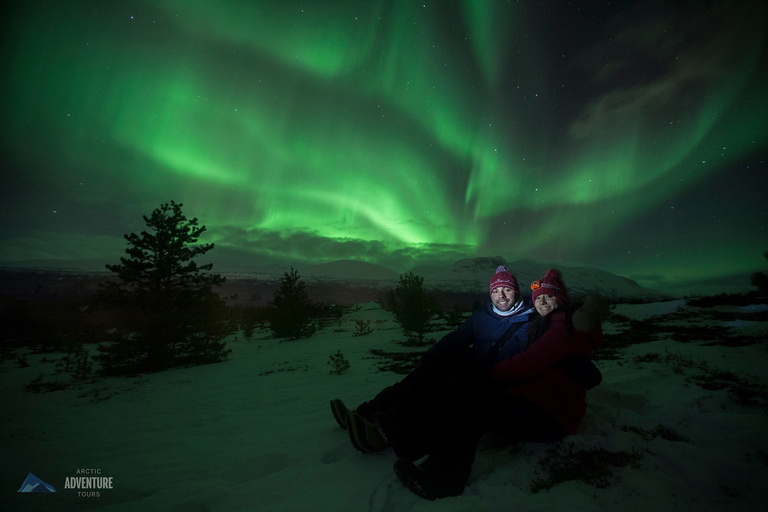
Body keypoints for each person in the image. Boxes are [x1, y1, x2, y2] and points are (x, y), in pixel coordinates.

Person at [385, 269, 608, 500]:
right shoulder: (552, 323)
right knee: (465, 391)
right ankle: (413, 444)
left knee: (474, 404)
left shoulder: (563, 327)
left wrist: (489, 374)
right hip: (538, 400)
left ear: (560, 299)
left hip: (552, 414)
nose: (541, 301)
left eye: (548, 296)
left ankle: (443, 479)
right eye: (538, 297)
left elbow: (529, 363)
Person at [329, 265, 536, 454]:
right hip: (472, 368)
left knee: (435, 393)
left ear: (516, 292)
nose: (501, 296)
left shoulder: (530, 322)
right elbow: (456, 338)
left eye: (507, 290)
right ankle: (363, 413)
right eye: (495, 291)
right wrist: (432, 356)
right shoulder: (483, 316)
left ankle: (383, 433)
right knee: (421, 376)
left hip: (492, 379)